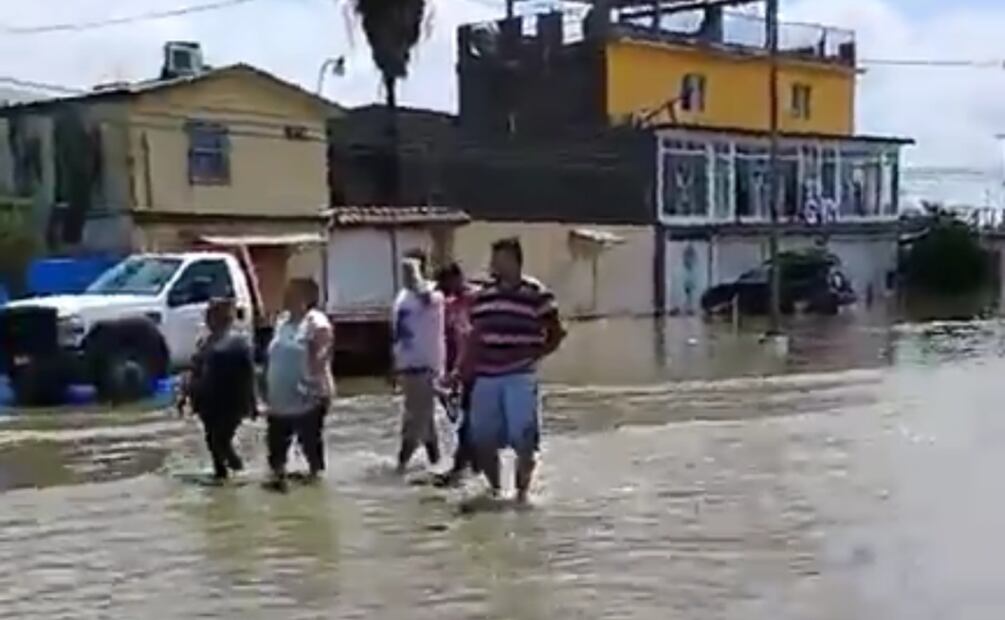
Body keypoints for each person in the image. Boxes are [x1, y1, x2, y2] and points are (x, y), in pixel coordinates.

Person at [463, 237, 566, 504]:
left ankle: (522, 495)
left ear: (515, 261)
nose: (494, 265)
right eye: (494, 259)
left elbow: (557, 332)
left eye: (500, 259)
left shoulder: (537, 294)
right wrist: (462, 370)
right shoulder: (483, 296)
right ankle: (496, 491)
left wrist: (536, 355)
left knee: (524, 438)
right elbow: (474, 336)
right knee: (482, 438)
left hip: (520, 375)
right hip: (486, 375)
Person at [264, 278, 335, 492]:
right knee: (276, 453)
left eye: (292, 293)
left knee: (310, 448)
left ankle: (316, 491)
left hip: (307, 397)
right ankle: (279, 489)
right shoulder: (282, 322)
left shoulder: (316, 322)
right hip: (278, 400)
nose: (286, 296)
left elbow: (323, 354)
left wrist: (315, 387)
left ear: (306, 297)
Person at [182, 297, 257, 481]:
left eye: (213, 315)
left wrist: (252, 402)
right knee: (212, 442)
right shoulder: (205, 342)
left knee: (220, 441)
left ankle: (239, 473)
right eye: (209, 316)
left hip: (229, 402)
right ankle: (221, 476)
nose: (209, 320)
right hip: (207, 403)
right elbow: (194, 370)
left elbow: (249, 373)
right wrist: (184, 395)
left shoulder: (238, 342)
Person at [392, 257, 446, 474]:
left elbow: (426, 297)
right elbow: (398, 332)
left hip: (424, 366)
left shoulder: (433, 295)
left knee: (415, 419)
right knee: (425, 419)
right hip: (407, 366)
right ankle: (437, 463)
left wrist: (416, 276)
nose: (406, 274)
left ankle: (401, 466)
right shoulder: (402, 296)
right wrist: (395, 364)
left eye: (410, 270)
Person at [432, 262, 479, 487]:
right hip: (464, 373)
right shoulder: (451, 304)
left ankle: (461, 470)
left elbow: (475, 337)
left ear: (458, 277)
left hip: (482, 370)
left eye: (446, 283)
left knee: (469, 424)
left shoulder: (477, 299)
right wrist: (448, 373)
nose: (444, 289)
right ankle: (471, 470)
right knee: (464, 421)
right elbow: (450, 341)